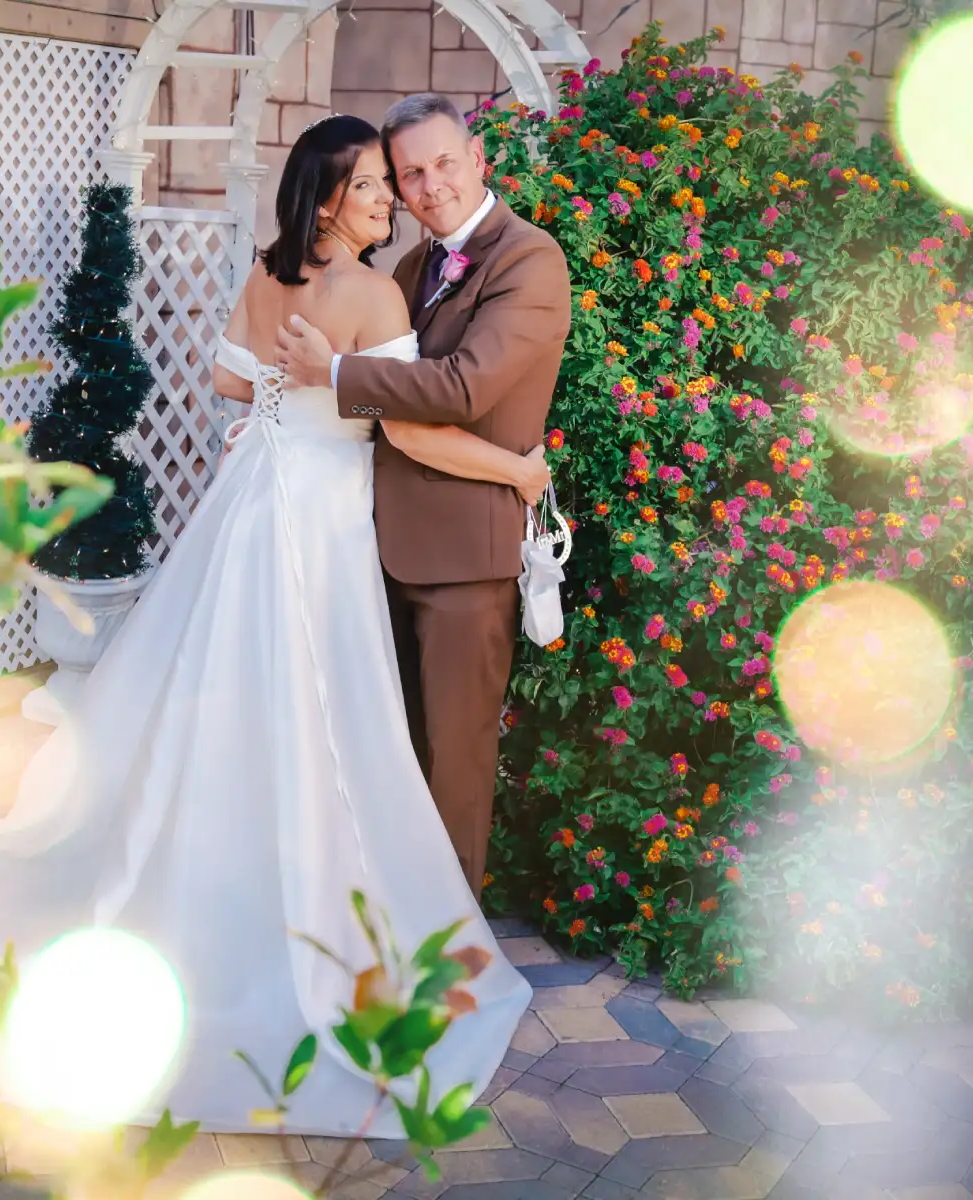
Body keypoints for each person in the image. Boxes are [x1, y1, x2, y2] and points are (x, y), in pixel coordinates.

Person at [0, 114, 535, 1139]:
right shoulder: (374, 291)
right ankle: (288, 890)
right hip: (320, 525)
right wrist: (514, 468)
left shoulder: (265, 275)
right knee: (316, 697)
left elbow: (226, 384)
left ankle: (216, 870)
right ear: (329, 197)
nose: (389, 198)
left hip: (250, 506)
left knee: (232, 691)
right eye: (375, 184)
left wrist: (291, 384)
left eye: (397, 180)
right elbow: (414, 423)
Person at [277, 94, 572, 899]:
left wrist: (331, 378)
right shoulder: (410, 268)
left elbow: (465, 389)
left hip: (463, 558)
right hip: (375, 542)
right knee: (390, 758)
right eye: (410, 173)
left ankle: (454, 961)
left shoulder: (529, 259)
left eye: (444, 163)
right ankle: (395, 930)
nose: (429, 184)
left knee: (454, 761)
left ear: (478, 159)